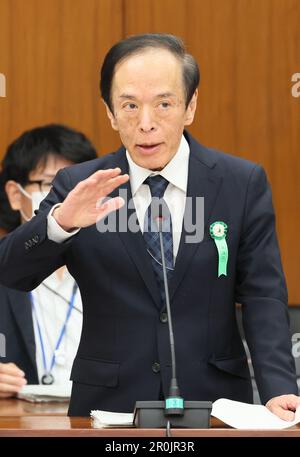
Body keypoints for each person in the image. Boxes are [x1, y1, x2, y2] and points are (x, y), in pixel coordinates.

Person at [0, 34, 299, 418]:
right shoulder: (80, 185)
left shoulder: (240, 183)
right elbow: (10, 271)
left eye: (163, 104)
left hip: (215, 403)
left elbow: (262, 295)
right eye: (129, 105)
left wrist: (278, 388)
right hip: (108, 408)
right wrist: (60, 222)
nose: (145, 124)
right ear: (109, 112)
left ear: (190, 106)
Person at [0, 124, 97, 397]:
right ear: (15, 195)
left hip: (98, 423)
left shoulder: (116, 263)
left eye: (79, 184)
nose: (68, 195)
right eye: (51, 183)